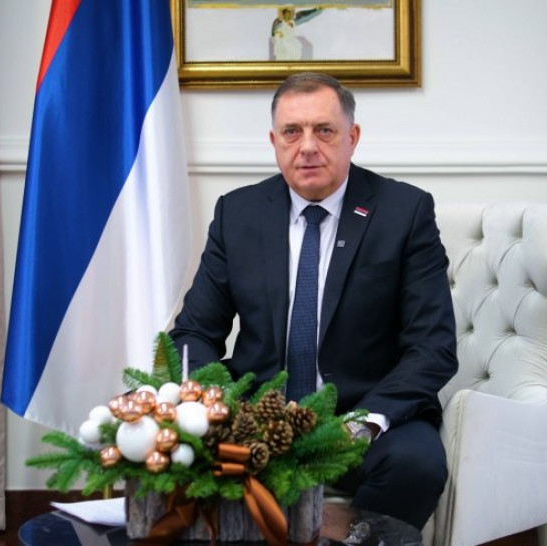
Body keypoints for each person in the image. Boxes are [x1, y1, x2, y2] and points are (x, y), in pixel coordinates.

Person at [170, 72, 457, 543]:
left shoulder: (404, 212)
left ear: (352, 137)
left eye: (324, 130)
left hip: (364, 415)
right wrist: (222, 407)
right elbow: (194, 334)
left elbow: (433, 347)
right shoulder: (237, 214)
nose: (307, 146)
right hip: (259, 416)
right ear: (274, 141)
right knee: (180, 456)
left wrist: (363, 423)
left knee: (416, 464)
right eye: (292, 131)